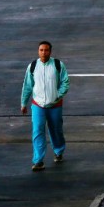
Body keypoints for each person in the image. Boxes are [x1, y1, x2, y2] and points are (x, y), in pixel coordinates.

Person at [21, 41, 70, 171]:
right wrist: (23, 103)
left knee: (56, 130)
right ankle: (38, 161)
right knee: (37, 131)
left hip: (55, 105)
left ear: (50, 51)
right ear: (38, 51)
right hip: (38, 105)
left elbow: (65, 82)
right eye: (41, 50)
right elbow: (27, 86)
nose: (44, 52)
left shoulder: (58, 65)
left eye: (46, 50)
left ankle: (58, 151)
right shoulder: (32, 66)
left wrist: (58, 95)